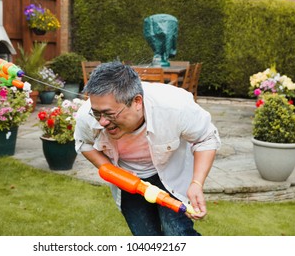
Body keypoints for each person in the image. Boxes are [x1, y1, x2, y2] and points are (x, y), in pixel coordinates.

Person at [74, 61, 221, 236]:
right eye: (97, 113)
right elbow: (84, 143)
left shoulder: (175, 106)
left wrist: (196, 183)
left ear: (137, 101)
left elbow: (206, 137)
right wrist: (114, 173)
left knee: (177, 233)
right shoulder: (88, 115)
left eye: (109, 114)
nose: (102, 121)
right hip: (129, 179)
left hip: (171, 173)